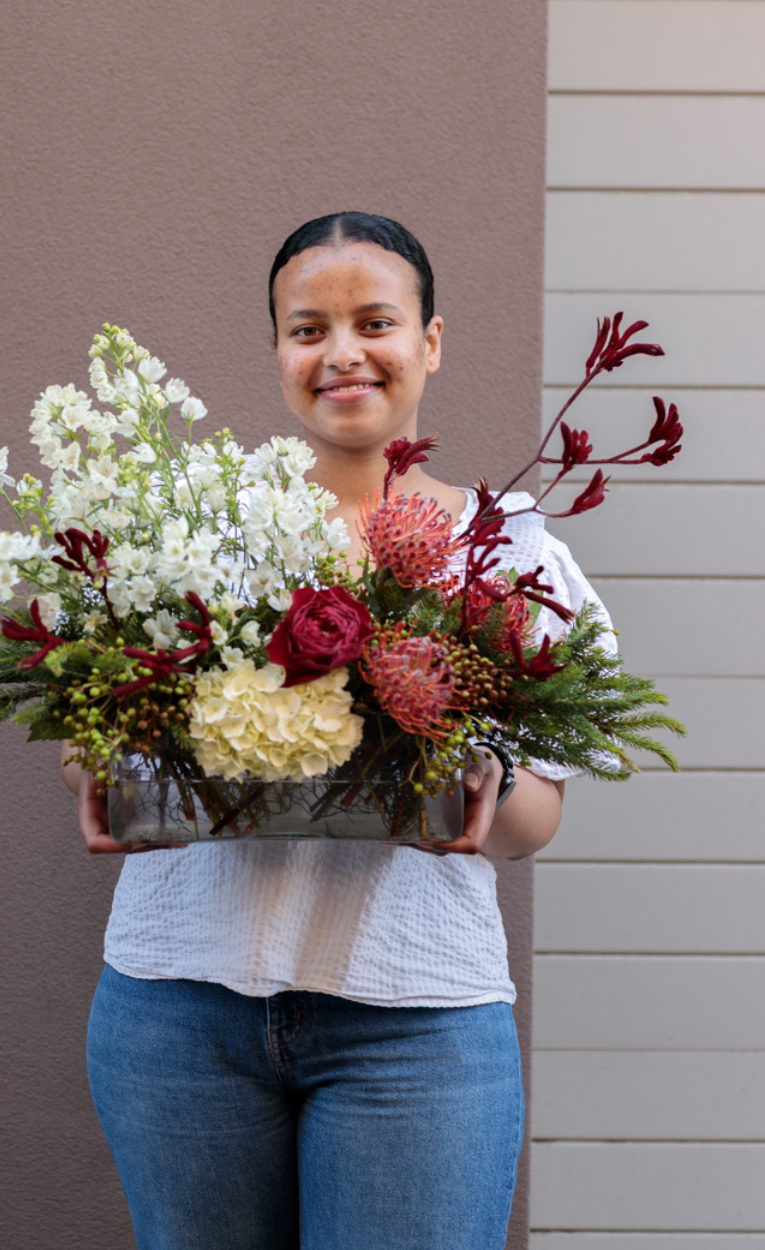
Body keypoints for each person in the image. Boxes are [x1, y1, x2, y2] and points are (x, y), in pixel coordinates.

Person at [60, 212, 611, 1250]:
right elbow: (97, 737)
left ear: (430, 341)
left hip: (417, 1022)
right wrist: (91, 767)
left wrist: (483, 791)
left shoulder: (512, 555)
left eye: (375, 321)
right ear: (276, 349)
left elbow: (536, 815)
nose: (342, 353)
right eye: (307, 328)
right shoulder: (192, 535)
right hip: (178, 1013)